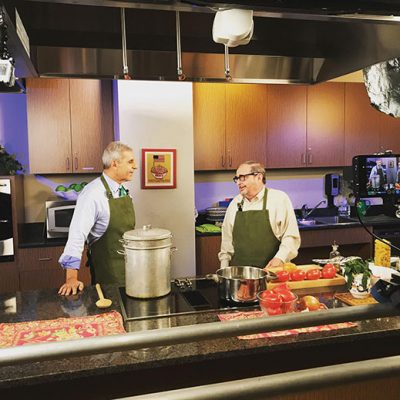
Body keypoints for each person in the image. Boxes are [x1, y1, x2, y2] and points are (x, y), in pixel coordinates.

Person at [58, 141, 137, 296]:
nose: (135, 166)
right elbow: (77, 235)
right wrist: (71, 278)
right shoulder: (92, 194)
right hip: (109, 274)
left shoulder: (123, 190)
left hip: (131, 270)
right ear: (115, 163)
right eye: (130, 162)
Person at [218, 161, 300, 270]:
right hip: (241, 276)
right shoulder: (234, 204)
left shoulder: (279, 199)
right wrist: (223, 270)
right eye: (237, 179)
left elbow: (290, 236)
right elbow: (226, 244)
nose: (238, 182)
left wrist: (280, 258)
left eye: (242, 177)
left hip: (273, 273)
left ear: (259, 177)